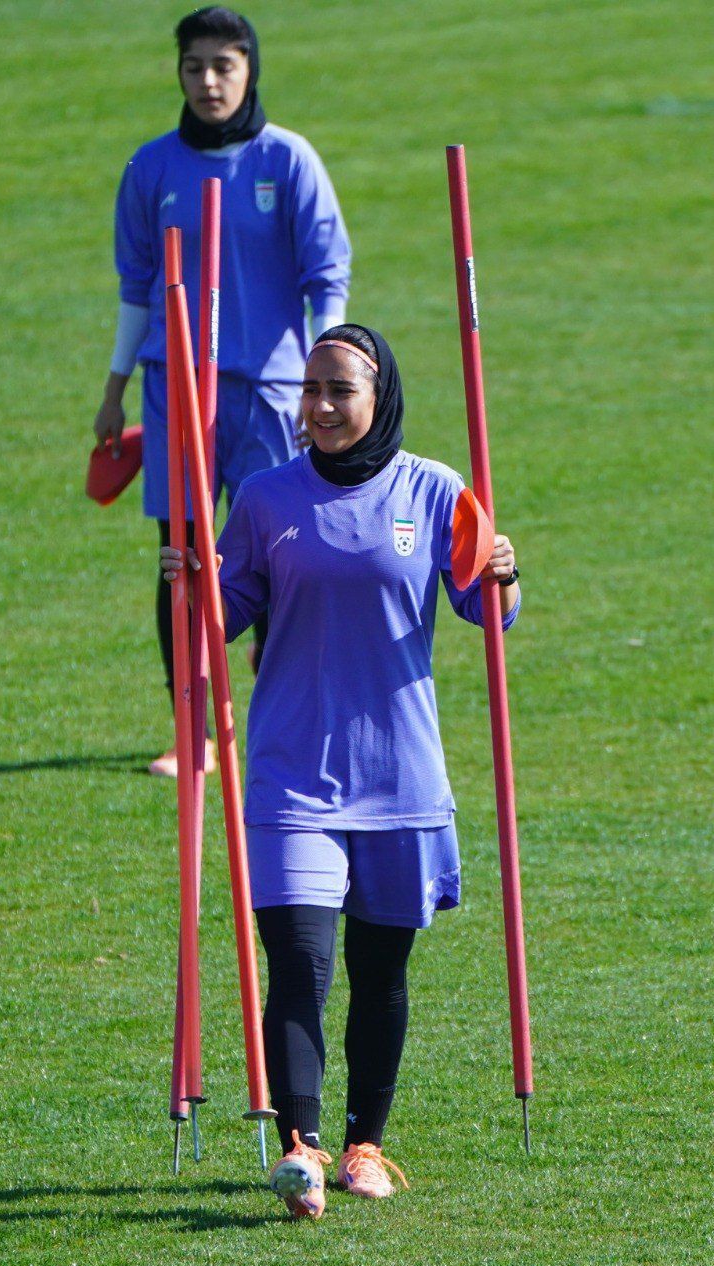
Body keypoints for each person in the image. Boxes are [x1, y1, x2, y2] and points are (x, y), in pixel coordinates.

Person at [162, 324, 521, 1220]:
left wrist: (505, 572)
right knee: (299, 963)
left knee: (380, 972)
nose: (319, 406)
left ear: (379, 395)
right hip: (292, 775)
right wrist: (188, 584)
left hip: (401, 779)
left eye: (339, 390)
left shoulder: (435, 491)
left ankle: (365, 1144)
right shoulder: (263, 497)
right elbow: (218, 624)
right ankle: (303, 1149)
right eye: (310, 390)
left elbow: (487, 611)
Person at [94, 6, 351, 777]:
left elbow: (326, 279)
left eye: (223, 66)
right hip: (174, 389)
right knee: (181, 556)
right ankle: (194, 734)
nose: (208, 81)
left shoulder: (289, 160)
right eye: (193, 67)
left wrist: (319, 380)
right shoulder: (150, 168)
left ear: (249, 70)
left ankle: (276, 722)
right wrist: (114, 389)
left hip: (272, 392)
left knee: (279, 556)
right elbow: (135, 287)